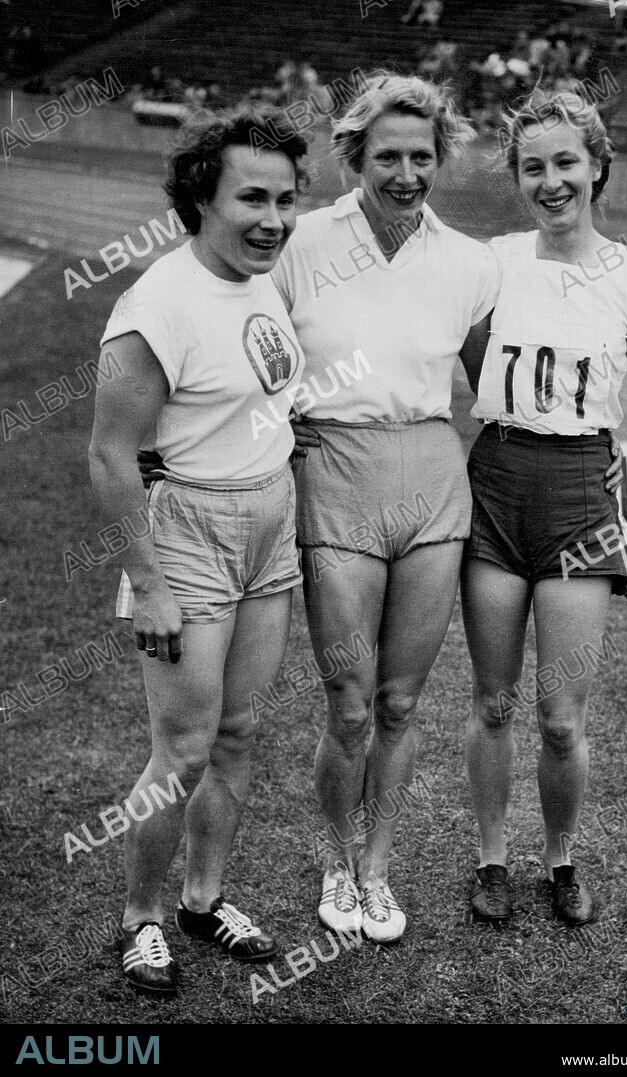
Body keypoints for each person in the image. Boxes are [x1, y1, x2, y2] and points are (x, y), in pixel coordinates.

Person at [270, 73, 622, 943]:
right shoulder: (301, 242)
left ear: (439, 159)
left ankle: (378, 870)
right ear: (353, 155)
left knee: (399, 703)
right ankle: (336, 861)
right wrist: (277, 427)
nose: (404, 172)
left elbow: (495, 379)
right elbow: (251, 349)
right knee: (348, 703)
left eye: (420, 156)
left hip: (433, 483)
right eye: (386, 154)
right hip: (337, 476)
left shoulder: (467, 260)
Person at [88, 107, 308, 993]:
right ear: (200, 200)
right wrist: (150, 586)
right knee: (180, 748)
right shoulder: (155, 304)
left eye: (287, 199)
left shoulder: (264, 279)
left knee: (240, 733)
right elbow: (108, 455)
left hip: (270, 520)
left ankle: (202, 898)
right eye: (251, 198)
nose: (274, 218)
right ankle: (141, 918)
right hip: (187, 533)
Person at [460, 85, 627, 927]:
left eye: (565, 164)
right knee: (491, 699)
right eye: (533, 166)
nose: (551, 182)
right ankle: (490, 858)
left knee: (558, 717)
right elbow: (469, 364)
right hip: (498, 482)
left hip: (584, 494)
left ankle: (559, 858)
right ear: (516, 175)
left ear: (597, 169)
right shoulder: (493, 263)